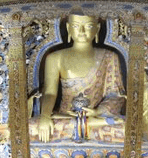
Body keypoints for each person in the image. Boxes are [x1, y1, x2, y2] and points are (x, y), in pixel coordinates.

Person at [32, 11, 126, 143]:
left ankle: (87, 124)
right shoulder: (55, 58)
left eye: (88, 26)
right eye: (76, 26)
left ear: (97, 28)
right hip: (66, 117)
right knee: (32, 128)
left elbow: (115, 95)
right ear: (68, 28)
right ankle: (85, 126)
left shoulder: (109, 56)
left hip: (96, 117)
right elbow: (49, 92)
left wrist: (97, 112)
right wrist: (45, 116)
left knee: (127, 128)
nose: (82, 31)